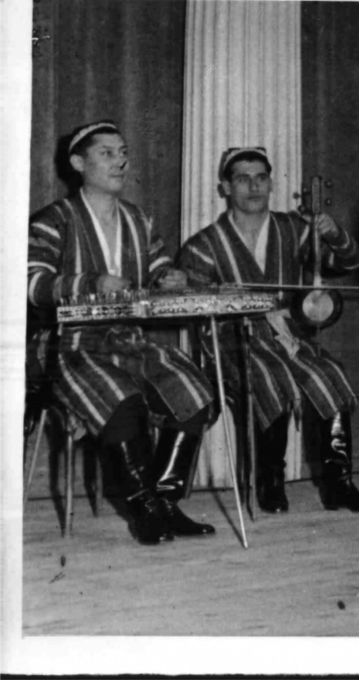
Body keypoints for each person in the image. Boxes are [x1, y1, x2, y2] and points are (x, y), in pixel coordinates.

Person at [27, 120, 217, 545]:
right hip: (70, 346)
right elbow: (31, 284)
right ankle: (143, 509)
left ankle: (166, 501)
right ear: (78, 163)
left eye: (123, 151)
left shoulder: (138, 219)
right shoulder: (53, 220)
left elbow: (156, 268)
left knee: (194, 390)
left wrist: (170, 277)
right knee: (121, 399)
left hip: (130, 341)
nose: (121, 161)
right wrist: (89, 282)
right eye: (107, 153)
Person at [177, 146, 359, 515]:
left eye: (261, 177)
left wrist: (334, 233)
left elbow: (350, 261)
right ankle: (270, 482)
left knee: (329, 373)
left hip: (287, 339)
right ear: (225, 187)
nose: (253, 186)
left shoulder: (293, 229)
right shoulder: (204, 245)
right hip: (232, 343)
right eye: (242, 178)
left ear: (271, 183)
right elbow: (190, 303)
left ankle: (340, 484)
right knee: (269, 376)